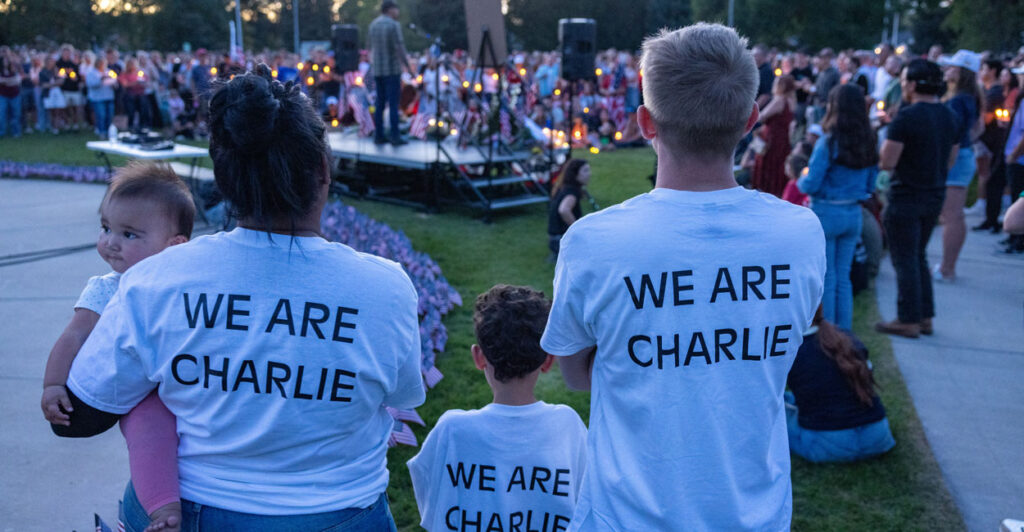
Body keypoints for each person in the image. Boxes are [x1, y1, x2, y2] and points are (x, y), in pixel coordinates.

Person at [53, 64, 424, 530]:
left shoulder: (154, 280)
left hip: (186, 513)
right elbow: (405, 392)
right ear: (324, 171)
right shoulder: (384, 287)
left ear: (222, 181)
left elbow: (78, 415)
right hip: (337, 512)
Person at [541, 24, 825, 530]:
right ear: (750, 121)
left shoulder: (593, 242)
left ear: (646, 123)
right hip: (754, 513)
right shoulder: (799, 232)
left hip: (627, 514)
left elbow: (577, 374)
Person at [42, 162, 194, 531]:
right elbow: (74, 336)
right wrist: (53, 385)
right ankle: (164, 512)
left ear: (173, 246)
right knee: (149, 435)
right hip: (138, 391)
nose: (110, 242)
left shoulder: (187, 286)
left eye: (129, 234)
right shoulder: (105, 287)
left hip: (182, 383)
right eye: (106, 228)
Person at [407, 285, 587, 532]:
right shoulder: (568, 426)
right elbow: (588, 502)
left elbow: (430, 503)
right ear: (548, 360)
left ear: (478, 357)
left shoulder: (451, 430)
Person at [875, 59, 959, 338]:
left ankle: (907, 319)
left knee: (904, 258)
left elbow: (887, 161)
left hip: (906, 195)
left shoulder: (907, 117)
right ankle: (925, 316)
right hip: (934, 193)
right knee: (918, 255)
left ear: (911, 84)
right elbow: (951, 159)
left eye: (904, 81)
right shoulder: (949, 115)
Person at [798, 84, 878, 331]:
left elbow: (811, 184)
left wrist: (801, 177)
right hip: (852, 213)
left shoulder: (828, 143)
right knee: (843, 277)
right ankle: (844, 332)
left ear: (834, 107)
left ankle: (828, 334)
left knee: (828, 277)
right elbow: (870, 184)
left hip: (826, 212)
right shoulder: (870, 140)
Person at [785, 306, 895, 463]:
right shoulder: (845, 336)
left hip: (828, 443)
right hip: (878, 435)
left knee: (777, 408)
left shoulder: (790, 349)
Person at [935, 50, 983, 280]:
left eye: (952, 67)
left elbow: (951, 137)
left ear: (962, 72)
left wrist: (945, 163)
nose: (947, 70)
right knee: (955, 215)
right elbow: (976, 129)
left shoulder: (957, 101)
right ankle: (948, 266)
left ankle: (947, 269)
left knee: (952, 215)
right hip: (963, 156)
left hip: (956, 160)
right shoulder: (968, 97)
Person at [369, 0, 411, 145]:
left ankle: (378, 135)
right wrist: (408, 66)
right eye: (396, 9)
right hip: (392, 70)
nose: (397, 12)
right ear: (390, 10)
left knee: (379, 103)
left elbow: (370, 48)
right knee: (393, 104)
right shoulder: (393, 25)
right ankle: (395, 136)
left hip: (378, 70)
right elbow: (399, 47)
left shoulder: (373, 25)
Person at [752, 74, 796, 197]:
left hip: (772, 139)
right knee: (778, 166)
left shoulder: (779, 100)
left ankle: (766, 190)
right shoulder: (791, 101)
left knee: (769, 165)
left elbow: (762, 116)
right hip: (783, 139)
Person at [547, 159, 591, 262]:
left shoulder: (564, 187)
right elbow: (564, 210)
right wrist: (577, 229)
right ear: (575, 174)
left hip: (554, 239)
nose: (589, 174)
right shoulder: (571, 192)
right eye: (585, 171)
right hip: (560, 240)